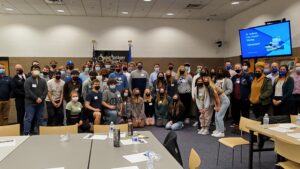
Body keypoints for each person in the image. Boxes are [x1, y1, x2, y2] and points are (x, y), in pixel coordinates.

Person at [24, 65, 48, 135]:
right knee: (29, 119)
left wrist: (41, 98)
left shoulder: (43, 81)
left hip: (40, 103)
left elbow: (45, 91)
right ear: (31, 71)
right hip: (30, 104)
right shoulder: (28, 80)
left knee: (40, 118)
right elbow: (28, 91)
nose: (36, 70)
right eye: (34, 69)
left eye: (37, 69)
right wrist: (36, 98)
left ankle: (41, 133)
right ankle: (26, 133)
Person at [11, 64, 27, 129]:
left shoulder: (27, 76)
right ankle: (20, 129)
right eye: (17, 69)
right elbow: (15, 90)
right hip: (19, 100)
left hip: (29, 99)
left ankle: (30, 128)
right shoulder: (14, 78)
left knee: (30, 115)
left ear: (22, 68)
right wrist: (25, 94)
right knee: (20, 115)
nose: (18, 70)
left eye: (19, 68)